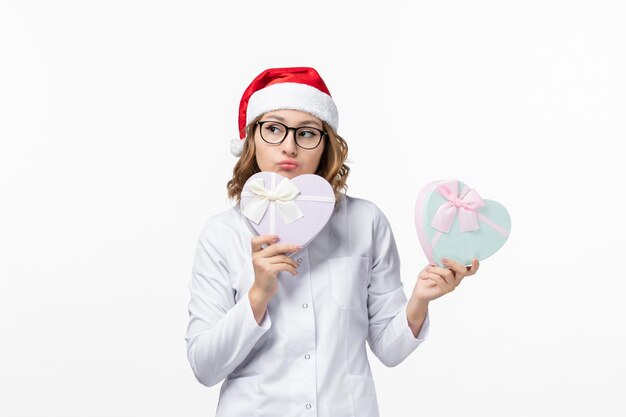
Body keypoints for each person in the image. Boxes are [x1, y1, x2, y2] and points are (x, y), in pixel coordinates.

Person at [185, 67, 480, 417]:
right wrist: (258, 295)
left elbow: (390, 349)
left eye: (307, 133)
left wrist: (420, 298)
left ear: (326, 144)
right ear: (252, 138)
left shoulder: (365, 222)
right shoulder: (222, 234)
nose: (289, 146)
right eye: (274, 129)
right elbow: (204, 368)